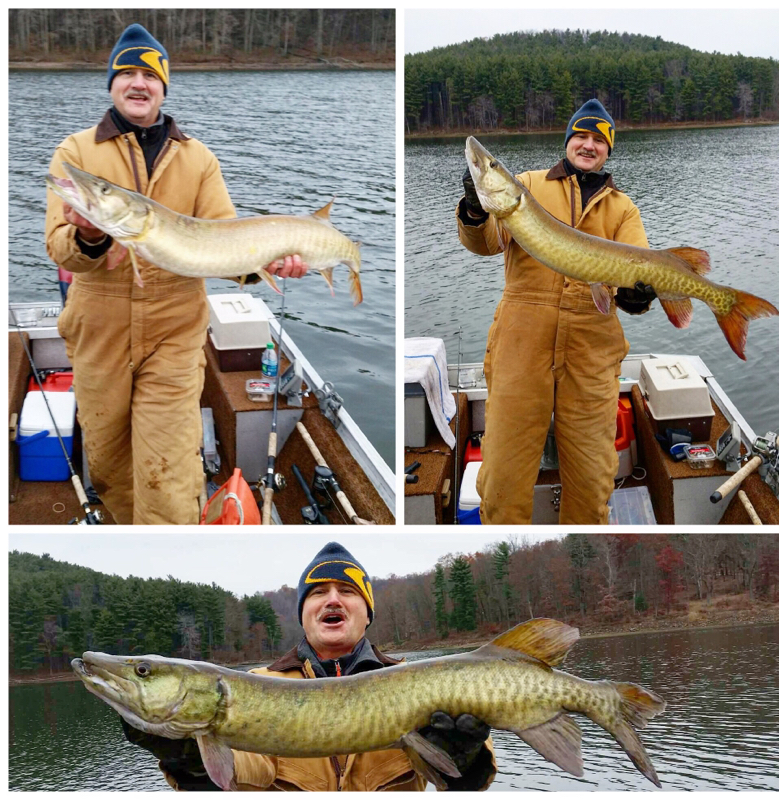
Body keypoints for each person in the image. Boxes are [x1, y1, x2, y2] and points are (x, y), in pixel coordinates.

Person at [45, 23, 307, 525]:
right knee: (109, 467)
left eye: (150, 75)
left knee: (167, 476)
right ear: (112, 84)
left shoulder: (198, 159)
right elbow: (60, 247)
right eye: (127, 73)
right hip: (98, 332)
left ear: (163, 88)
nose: (138, 83)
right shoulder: (76, 153)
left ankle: (169, 536)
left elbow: (226, 242)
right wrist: (92, 235)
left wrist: (267, 263)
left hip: (174, 333)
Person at [123, 542, 497, 791]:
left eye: (347, 591)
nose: (332, 599)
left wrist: (468, 759)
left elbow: (466, 785)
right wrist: (188, 759)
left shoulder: (418, 679)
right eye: (317, 592)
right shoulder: (257, 685)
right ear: (303, 614)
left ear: (367, 613)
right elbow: (242, 776)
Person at [457, 99, 655, 525]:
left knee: (592, 483)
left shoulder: (623, 209)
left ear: (608, 150)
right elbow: (486, 242)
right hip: (520, 349)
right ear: (567, 141)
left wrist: (637, 295)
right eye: (580, 136)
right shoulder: (526, 186)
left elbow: (635, 270)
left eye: (598, 139)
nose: (588, 145)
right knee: (502, 479)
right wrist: (474, 209)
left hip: (592, 354)